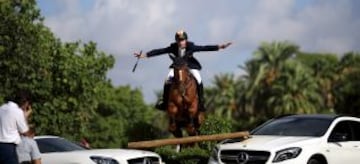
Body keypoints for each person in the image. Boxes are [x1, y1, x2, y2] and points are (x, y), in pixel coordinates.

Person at [134, 30, 232, 115]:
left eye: (183, 40)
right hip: (177, 68)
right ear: (176, 41)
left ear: (186, 40)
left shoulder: (191, 46)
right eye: (179, 40)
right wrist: (145, 55)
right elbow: (160, 51)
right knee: (167, 79)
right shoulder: (173, 47)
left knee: (198, 79)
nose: (181, 42)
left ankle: (201, 103)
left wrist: (219, 47)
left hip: (190, 67)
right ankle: (164, 103)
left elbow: (204, 48)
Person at [0, 90, 32, 164]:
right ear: (25, 102)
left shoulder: (2, 108)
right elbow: (26, 133)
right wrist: (25, 116)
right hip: (8, 147)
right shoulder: (17, 111)